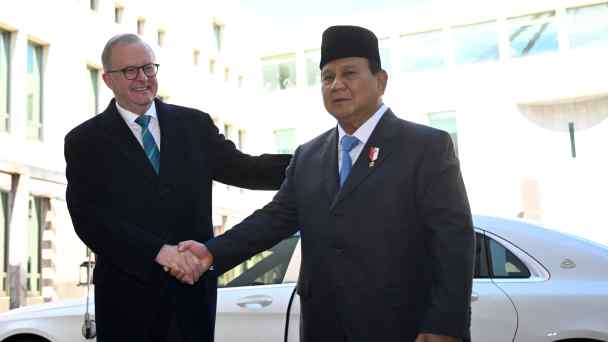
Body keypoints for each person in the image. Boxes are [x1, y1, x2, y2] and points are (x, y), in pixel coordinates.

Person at [178, 25, 475, 342]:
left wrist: (444, 324)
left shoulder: (425, 146)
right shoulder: (309, 155)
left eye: (349, 73)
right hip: (325, 326)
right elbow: (273, 219)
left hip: (403, 325)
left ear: (381, 81)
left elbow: (453, 240)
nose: (337, 85)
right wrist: (210, 253)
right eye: (327, 77)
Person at [64, 33, 291, 342]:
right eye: (130, 71)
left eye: (148, 68)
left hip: (192, 301)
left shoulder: (193, 125)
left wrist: (313, 160)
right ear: (107, 79)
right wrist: (158, 253)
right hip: (126, 305)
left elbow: (244, 169)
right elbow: (90, 220)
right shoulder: (85, 142)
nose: (142, 78)